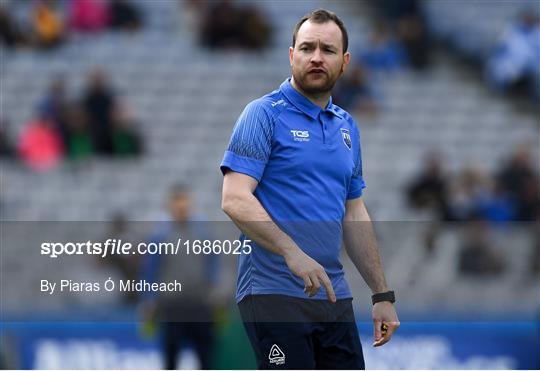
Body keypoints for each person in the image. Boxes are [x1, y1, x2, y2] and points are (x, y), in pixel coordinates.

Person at [220, 9, 399, 369]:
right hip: (273, 292)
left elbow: (354, 212)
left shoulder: (347, 127)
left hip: (334, 296)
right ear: (292, 55)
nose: (316, 57)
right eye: (307, 48)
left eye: (327, 50)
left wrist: (381, 293)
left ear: (344, 62)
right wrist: (292, 252)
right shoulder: (262, 114)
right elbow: (234, 198)